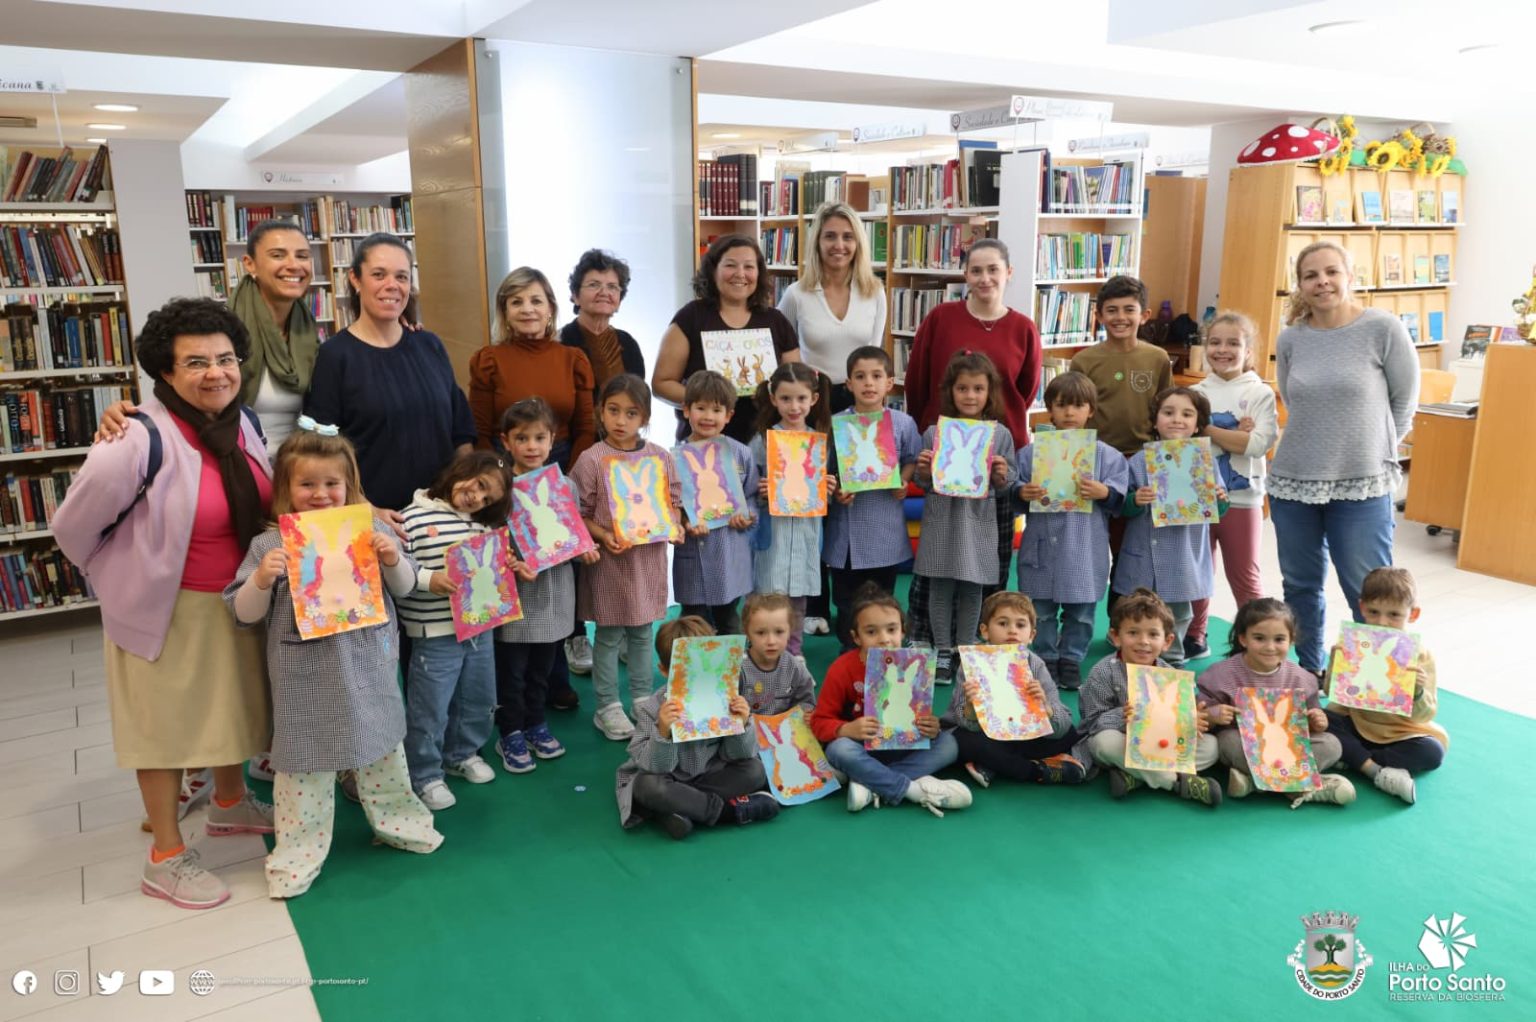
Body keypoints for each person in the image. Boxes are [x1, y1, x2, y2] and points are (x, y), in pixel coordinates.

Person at [52, 297, 275, 910]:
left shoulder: (245, 423)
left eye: (226, 359)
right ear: (166, 372)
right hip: (165, 609)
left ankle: (228, 803)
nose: (216, 373)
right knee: (164, 731)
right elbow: (72, 528)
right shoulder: (134, 437)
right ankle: (166, 856)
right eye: (196, 362)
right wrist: (123, 576)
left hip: (236, 599)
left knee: (233, 709)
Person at [224, 427, 442, 897]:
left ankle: (401, 824)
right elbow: (243, 615)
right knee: (304, 764)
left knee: (382, 749)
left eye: (331, 484)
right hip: (304, 677)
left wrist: (391, 560)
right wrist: (261, 580)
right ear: (286, 489)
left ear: (350, 486)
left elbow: (404, 588)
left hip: (370, 667)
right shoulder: (269, 547)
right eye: (307, 485)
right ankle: (298, 853)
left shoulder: (373, 533)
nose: (321, 495)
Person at [1269, 241, 1419, 675]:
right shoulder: (1292, 337)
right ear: (1299, 285)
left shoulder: (1382, 328)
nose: (1322, 282)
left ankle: (1376, 690)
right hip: (1294, 481)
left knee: (1370, 592)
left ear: (1350, 276)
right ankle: (1308, 673)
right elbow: (1295, 402)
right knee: (1299, 586)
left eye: (1331, 272)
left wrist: (1373, 450)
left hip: (1362, 483)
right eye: (1311, 275)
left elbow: (1404, 402)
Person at [902, 239, 1041, 643]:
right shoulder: (941, 318)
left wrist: (996, 436)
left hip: (996, 453)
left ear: (1008, 273)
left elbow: (1026, 390)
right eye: (976, 270)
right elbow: (918, 378)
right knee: (940, 561)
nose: (984, 278)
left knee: (987, 558)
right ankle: (935, 640)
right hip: (946, 455)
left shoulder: (1022, 327)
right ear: (965, 274)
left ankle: (982, 637)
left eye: (993, 270)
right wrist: (926, 440)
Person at [470, 265, 596, 692]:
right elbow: (482, 429)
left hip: (560, 474)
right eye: (516, 301)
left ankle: (558, 673)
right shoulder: (489, 360)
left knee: (561, 574)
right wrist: (502, 482)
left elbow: (584, 426)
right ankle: (516, 684)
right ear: (505, 310)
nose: (527, 309)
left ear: (551, 309)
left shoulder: (572, 358)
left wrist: (565, 483)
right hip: (509, 475)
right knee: (522, 574)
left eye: (536, 300)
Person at [305, 232, 476, 512]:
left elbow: (461, 430)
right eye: (379, 274)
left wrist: (465, 490)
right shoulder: (335, 355)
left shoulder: (429, 344)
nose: (391, 285)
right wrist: (367, 509)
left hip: (444, 513)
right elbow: (323, 451)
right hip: (381, 520)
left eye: (401, 276)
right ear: (355, 279)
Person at [397, 450, 513, 810]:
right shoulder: (411, 517)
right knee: (430, 706)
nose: (478, 497)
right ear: (461, 469)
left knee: (477, 696)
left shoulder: (481, 524)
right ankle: (425, 774)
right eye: (479, 484)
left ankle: (462, 753)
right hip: (434, 631)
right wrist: (429, 579)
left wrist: (503, 565)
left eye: (487, 497)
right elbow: (396, 569)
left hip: (479, 628)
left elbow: (489, 571)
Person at [572, 374, 683, 741]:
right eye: (613, 410)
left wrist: (676, 524)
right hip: (610, 564)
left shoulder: (660, 457)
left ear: (645, 417)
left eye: (631, 413)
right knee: (607, 636)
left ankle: (640, 698)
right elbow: (576, 512)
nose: (621, 421)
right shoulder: (592, 460)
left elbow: (673, 501)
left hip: (647, 564)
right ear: (600, 412)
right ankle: (607, 706)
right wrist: (602, 534)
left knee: (641, 634)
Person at [494, 398, 601, 774]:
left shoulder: (564, 486)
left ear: (553, 439)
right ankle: (510, 731)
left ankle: (536, 723)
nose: (532, 446)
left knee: (543, 668)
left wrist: (585, 550)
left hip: (557, 594)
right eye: (522, 438)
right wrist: (510, 559)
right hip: (520, 597)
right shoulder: (500, 488)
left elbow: (572, 534)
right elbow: (494, 541)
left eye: (540, 437)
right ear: (506, 442)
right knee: (513, 671)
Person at [810, 583, 972, 816]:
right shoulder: (842, 669)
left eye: (891, 629)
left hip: (902, 746)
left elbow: (921, 718)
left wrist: (932, 727)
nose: (884, 639)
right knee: (839, 750)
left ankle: (869, 783)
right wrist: (846, 729)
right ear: (856, 637)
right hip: (861, 748)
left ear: (903, 632)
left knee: (948, 745)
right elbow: (819, 722)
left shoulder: (914, 667)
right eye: (871, 632)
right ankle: (910, 789)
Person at [614, 616, 779, 840]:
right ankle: (726, 812)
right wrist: (663, 732)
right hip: (668, 778)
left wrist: (743, 724)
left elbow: (740, 755)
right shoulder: (652, 708)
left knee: (754, 770)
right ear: (664, 670)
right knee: (647, 786)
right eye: (686, 671)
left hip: (711, 775)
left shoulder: (725, 697)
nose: (696, 677)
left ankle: (680, 810)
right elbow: (654, 767)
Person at [1013, 371, 1129, 689]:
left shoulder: (1107, 456)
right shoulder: (1031, 454)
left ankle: (1072, 658)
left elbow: (1121, 494)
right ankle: (1046, 657)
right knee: (1042, 609)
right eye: (1061, 405)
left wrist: (1104, 492)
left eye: (1077, 406)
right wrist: (1023, 493)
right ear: (1049, 408)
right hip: (1042, 547)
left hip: (1084, 548)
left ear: (1090, 410)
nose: (1069, 413)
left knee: (1081, 612)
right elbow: (1014, 489)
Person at [911, 351, 1016, 683]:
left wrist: (1001, 474)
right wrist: (923, 471)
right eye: (963, 389)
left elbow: (1007, 483)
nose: (970, 396)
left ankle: (966, 649)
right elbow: (923, 483)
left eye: (978, 389)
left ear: (989, 393)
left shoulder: (1000, 435)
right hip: (943, 520)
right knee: (940, 586)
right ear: (950, 391)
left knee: (973, 588)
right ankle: (943, 650)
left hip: (979, 523)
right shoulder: (933, 433)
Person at [1196, 598, 1354, 807]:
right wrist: (1214, 714)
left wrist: (1317, 722)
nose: (1270, 647)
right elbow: (1199, 716)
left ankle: (1253, 783)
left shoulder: (1302, 679)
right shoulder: (1221, 675)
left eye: (1279, 639)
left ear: (1291, 640)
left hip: (1287, 748)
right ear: (1243, 639)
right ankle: (1299, 787)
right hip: (1244, 744)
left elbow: (1313, 720)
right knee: (1226, 741)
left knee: (1332, 745)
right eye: (1259, 638)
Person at [1186, 312, 1279, 661]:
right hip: (1197, 498)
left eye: (1233, 343)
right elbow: (1181, 437)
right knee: (1196, 571)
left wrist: (1207, 428)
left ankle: (1255, 643)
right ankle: (1195, 634)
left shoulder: (1259, 393)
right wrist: (1234, 434)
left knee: (1244, 575)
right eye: (1215, 342)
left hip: (1243, 499)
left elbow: (1256, 445)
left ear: (1249, 350)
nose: (1222, 350)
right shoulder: (1195, 392)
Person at [1113, 387, 1227, 668]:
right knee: (1138, 615)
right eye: (1168, 412)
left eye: (1187, 414)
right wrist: (1136, 500)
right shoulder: (1139, 461)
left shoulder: (1205, 461)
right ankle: (1134, 667)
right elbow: (1122, 507)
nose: (1177, 419)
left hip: (1181, 556)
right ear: (1155, 421)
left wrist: (1220, 500)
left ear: (1198, 424)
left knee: (1177, 615)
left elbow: (1218, 509)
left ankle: (1173, 665)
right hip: (1144, 557)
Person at [652, 234, 800, 444]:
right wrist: (707, 405)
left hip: (767, 444)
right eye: (730, 265)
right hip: (703, 442)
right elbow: (661, 384)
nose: (740, 274)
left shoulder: (775, 321)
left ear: (759, 273)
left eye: (749, 267)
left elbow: (796, 382)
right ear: (713, 270)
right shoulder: (691, 318)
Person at [1078, 588, 1220, 807]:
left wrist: (1192, 722)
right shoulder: (1103, 672)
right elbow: (1091, 724)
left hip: (1159, 745)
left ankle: (1134, 777)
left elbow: (1181, 723)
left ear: (1167, 641)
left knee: (1210, 746)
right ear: (1116, 637)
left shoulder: (1170, 676)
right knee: (1103, 744)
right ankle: (1175, 782)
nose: (1143, 641)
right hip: (1121, 740)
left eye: (1153, 634)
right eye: (1133, 633)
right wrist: (1122, 716)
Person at [823, 345, 920, 650]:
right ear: (848, 384)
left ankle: (882, 649)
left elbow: (911, 458)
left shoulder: (902, 423)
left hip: (884, 527)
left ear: (889, 383)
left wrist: (904, 480)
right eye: (860, 376)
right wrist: (837, 489)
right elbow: (826, 469)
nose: (868, 383)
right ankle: (850, 650)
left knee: (883, 596)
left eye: (876, 376)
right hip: (847, 531)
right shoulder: (837, 423)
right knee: (846, 599)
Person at [1324, 567, 1447, 805]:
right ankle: (1375, 769)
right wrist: (1335, 665)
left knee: (1432, 752)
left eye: (1394, 615)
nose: (1382, 622)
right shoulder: (1354, 643)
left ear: (1413, 614)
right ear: (1361, 608)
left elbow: (1426, 713)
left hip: (1400, 733)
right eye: (1373, 612)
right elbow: (1334, 695)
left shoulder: (1420, 655)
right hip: (1357, 723)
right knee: (1320, 719)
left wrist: (1418, 691)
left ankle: (1357, 761)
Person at [942, 591, 1088, 788]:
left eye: (1020, 625)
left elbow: (1061, 723)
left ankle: (992, 765)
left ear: (1031, 635)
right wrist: (971, 708)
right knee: (964, 741)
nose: (1012, 631)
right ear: (985, 631)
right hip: (988, 736)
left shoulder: (1035, 665)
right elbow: (964, 723)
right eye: (1003, 624)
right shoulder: (973, 664)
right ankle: (1037, 771)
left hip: (1025, 736)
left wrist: (1046, 708)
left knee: (1069, 731)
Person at [748, 362, 834, 660]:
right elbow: (747, 487)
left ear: (814, 399)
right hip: (774, 532)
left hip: (807, 532)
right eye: (786, 399)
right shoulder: (763, 441)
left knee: (798, 597)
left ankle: (794, 654)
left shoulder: (819, 442)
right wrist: (759, 492)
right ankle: (760, 653)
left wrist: (828, 488)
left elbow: (821, 488)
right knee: (767, 595)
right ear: (773, 399)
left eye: (800, 398)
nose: (794, 406)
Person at [778, 201, 887, 414]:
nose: (839, 245)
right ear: (817, 242)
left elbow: (875, 354)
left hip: (861, 401)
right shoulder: (796, 294)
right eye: (830, 236)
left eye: (848, 237)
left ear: (858, 243)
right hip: (810, 402)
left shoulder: (875, 292)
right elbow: (780, 348)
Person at [673, 370, 758, 635]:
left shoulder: (741, 454)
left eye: (717, 409)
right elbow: (669, 503)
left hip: (729, 552)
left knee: (729, 621)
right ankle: (695, 675)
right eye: (700, 408)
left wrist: (747, 515)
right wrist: (685, 521)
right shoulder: (673, 458)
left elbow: (752, 496)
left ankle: (733, 675)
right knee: (693, 625)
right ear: (686, 411)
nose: (708, 417)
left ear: (729, 415)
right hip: (693, 553)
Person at [1069, 275, 1170, 456]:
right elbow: (1073, 414)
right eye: (1112, 310)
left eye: (1129, 309)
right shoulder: (1082, 361)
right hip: (1096, 455)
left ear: (1144, 316)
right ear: (1099, 316)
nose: (1120, 317)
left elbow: (1167, 408)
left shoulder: (1158, 358)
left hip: (1144, 454)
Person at [561, 248, 645, 396]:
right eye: (594, 285)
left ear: (619, 299)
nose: (604, 292)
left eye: (612, 287)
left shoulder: (628, 343)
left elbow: (638, 399)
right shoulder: (560, 342)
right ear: (575, 296)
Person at [739, 592, 816, 716]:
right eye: (760, 633)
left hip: (785, 731)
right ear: (747, 633)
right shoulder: (738, 668)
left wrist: (806, 713)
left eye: (779, 632)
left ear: (790, 631)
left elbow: (806, 703)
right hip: (748, 731)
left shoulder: (795, 667)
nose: (771, 641)